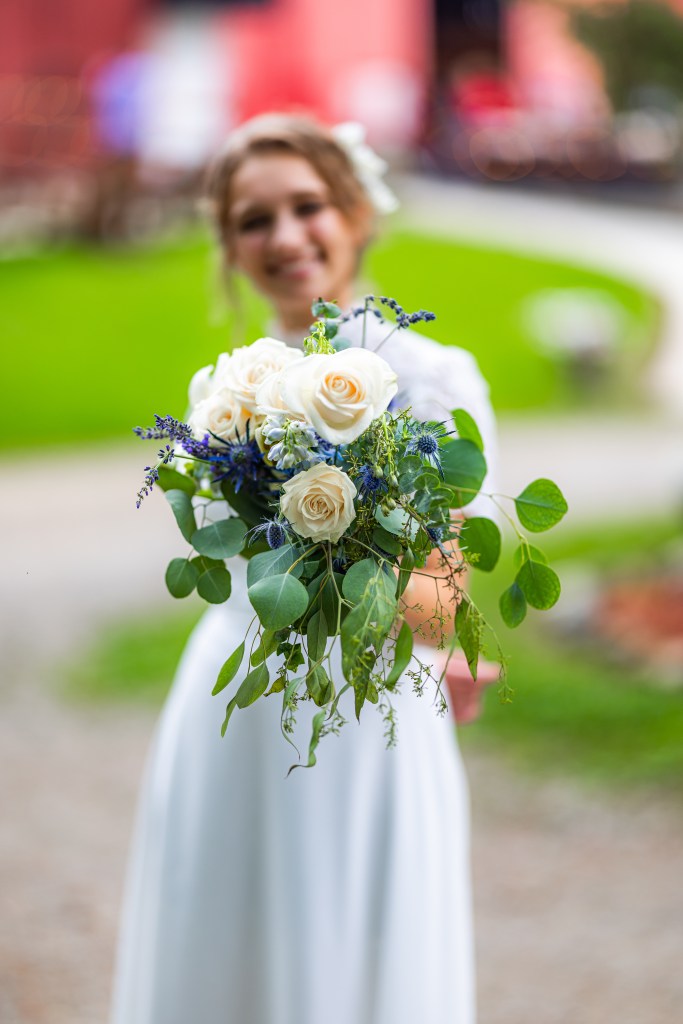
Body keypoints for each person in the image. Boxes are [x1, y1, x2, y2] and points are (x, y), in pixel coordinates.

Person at [111, 113, 498, 1024]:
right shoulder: (220, 398)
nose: (285, 237)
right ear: (230, 249)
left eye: (306, 206)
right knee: (224, 937)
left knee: (361, 939)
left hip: (370, 704)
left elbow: (441, 597)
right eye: (254, 221)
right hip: (235, 699)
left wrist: (365, 566)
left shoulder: (433, 379)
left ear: (354, 211)